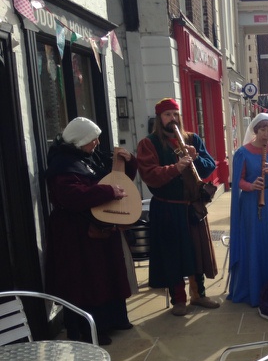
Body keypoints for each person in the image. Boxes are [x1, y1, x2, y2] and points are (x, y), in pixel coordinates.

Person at [45, 117, 137, 345]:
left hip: (98, 227)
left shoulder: (88, 157)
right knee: (87, 282)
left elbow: (118, 182)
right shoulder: (62, 165)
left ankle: (114, 319)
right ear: (79, 140)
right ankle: (90, 329)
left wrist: (129, 162)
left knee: (107, 276)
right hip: (75, 234)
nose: (97, 143)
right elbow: (71, 196)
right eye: (92, 139)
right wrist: (106, 192)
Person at [137, 98, 219, 316]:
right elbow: (149, 175)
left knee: (196, 252)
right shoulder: (149, 143)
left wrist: (196, 157)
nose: (172, 119)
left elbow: (209, 167)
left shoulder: (192, 138)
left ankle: (198, 295)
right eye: (167, 115)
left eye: (175, 114)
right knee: (173, 254)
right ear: (159, 118)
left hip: (192, 207)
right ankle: (179, 300)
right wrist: (175, 168)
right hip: (168, 208)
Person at [228, 113, 268, 307]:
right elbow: (237, 181)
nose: (266, 134)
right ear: (255, 131)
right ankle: (256, 289)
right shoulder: (243, 152)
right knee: (256, 242)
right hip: (252, 204)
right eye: (262, 130)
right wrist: (250, 186)